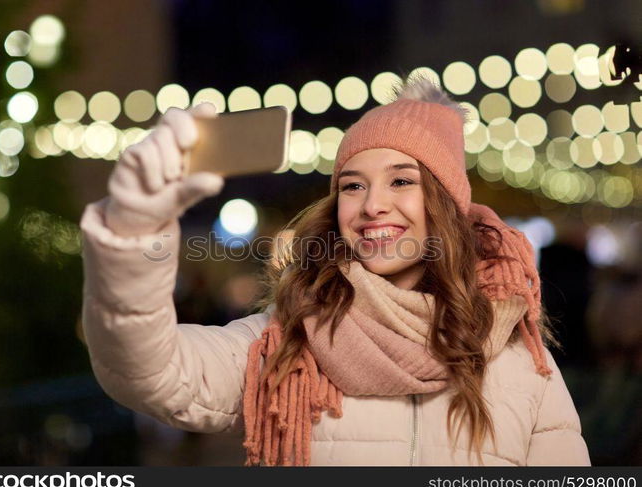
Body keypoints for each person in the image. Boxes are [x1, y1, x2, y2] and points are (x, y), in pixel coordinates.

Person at [79, 75, 591, 466]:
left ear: (445, 205)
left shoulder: (519, 360)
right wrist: (134, 231)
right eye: (352, 185)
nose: (372, 206)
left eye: (401, 181)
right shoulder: (286, 343)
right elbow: (148, 372)